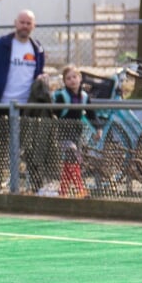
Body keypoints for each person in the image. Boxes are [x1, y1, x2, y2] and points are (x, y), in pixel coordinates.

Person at [0, 9, 46, 189]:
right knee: (0, 147)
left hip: (26, 108)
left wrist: (41, 80)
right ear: (15, 23)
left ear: (33, 26)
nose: (25, 26)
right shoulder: (1, 46)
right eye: (22, 22)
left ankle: (36, 187)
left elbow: (37, 74)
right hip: (2, 106)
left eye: (28, 23)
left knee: (31, 148)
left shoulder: (37, 49)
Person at [51, 65, 92, 197]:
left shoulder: (84, 96)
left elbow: (91, 113)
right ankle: (81, 190)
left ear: (79, 78)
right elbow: (54, 111)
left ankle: (62, 191)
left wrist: (99, 129)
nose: (72, 80)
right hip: (63, 133)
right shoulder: (61, 96)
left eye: (74, 77)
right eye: (68, 78)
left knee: (70, 163)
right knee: (73, 158)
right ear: (64, 81)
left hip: (77, 134)